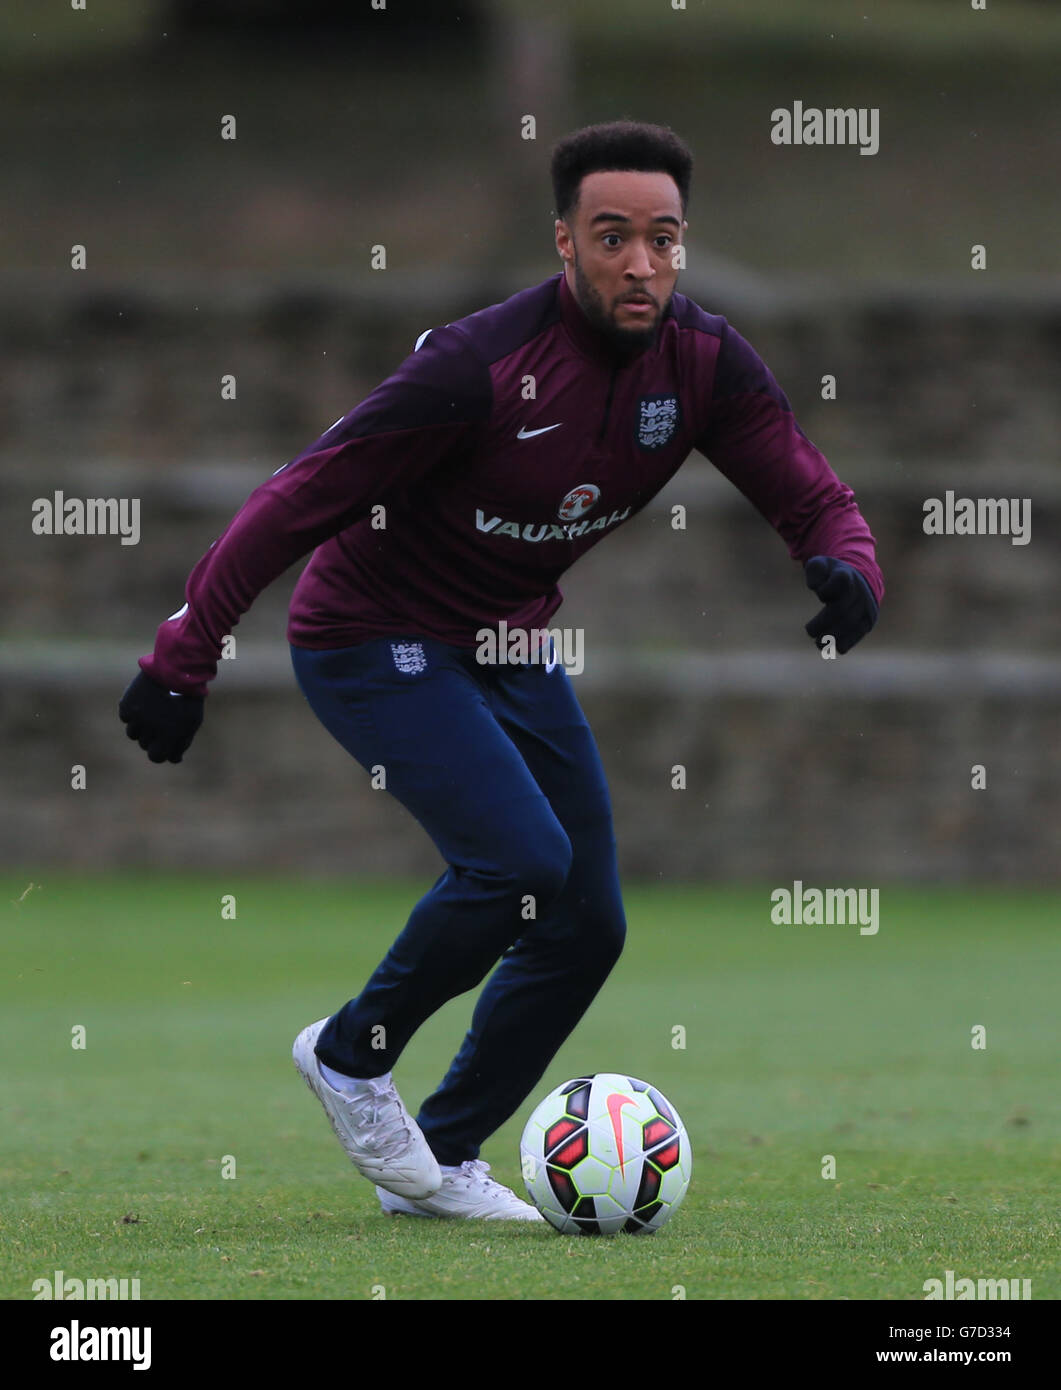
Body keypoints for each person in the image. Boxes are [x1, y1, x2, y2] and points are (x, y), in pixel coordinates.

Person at [119, 120, 883, 1221]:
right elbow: (295, 498)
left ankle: (439, 1157)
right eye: (610, 236)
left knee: (587, 921)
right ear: (563, 241)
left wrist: (845, 563)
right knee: (520, 860)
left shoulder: (703, 362)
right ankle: (346, 1055)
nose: (639, 263)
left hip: (507, 639)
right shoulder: (475, 367)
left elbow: (810, 492)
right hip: (367, 633)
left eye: (661, 239)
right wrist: (183, 657)